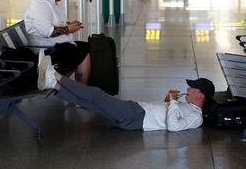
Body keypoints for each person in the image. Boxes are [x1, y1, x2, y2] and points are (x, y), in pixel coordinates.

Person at [37, 55, 215, 131]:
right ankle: (54, 85)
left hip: (137, 117)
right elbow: (168, 112)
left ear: (201, 96)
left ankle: (55, 74)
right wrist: (169, 100)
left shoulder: (196, 117)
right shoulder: (188, 105)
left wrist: (174, 102)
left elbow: (173, 127)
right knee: (90, 104)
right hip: (136, 110)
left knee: (98, 95)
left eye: (193, 88)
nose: (188, 90)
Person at [24, 0, 91, 84]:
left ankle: (81, 89)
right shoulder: (40, 4)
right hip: (46, 51)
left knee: (87, 47)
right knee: (82, 52)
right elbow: (48, 31)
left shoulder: (52, 2)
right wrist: (68, 29)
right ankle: (81, 91)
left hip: (56, 45)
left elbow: (57, 24)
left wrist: (69, 25)